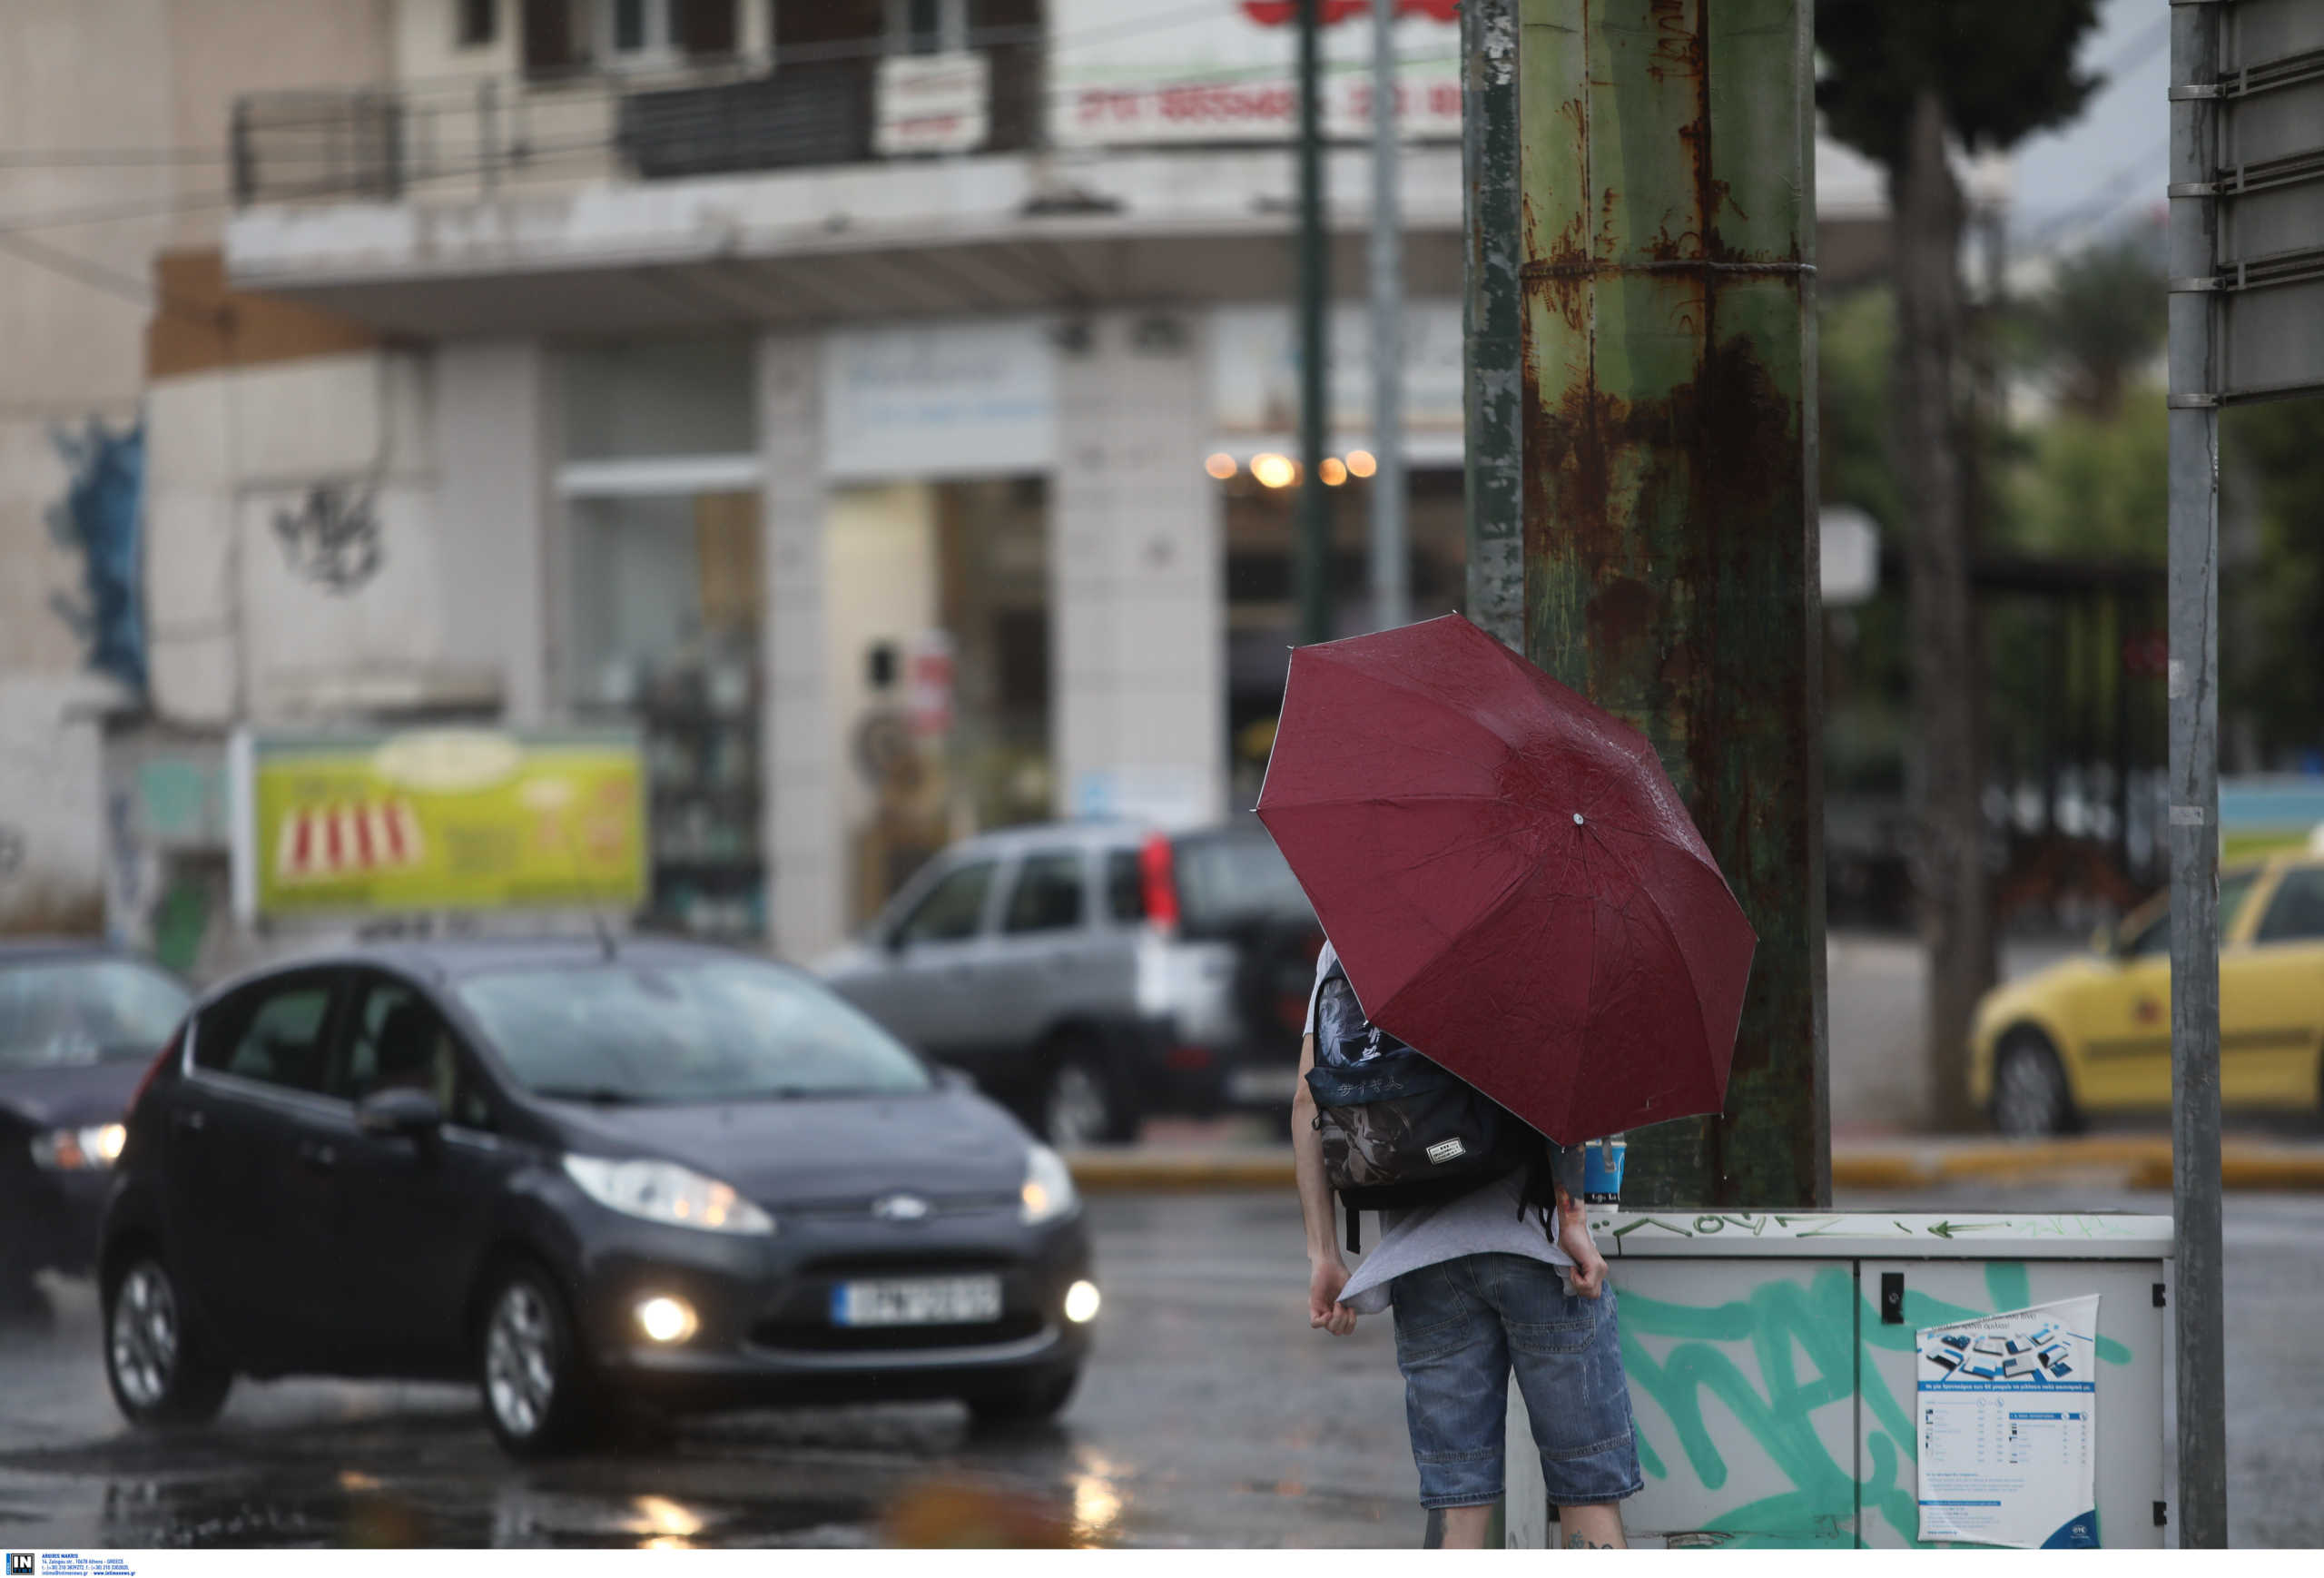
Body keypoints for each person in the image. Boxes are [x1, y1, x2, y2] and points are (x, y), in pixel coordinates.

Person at [1293, 940, 1641, 1549]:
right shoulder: (1526, 911)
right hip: (1537, 1253)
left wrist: (1324, 1253)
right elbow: (1568, 1078)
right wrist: (1576, 1220)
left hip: (1423, 1261)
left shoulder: (1347, 936)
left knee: (1461, 1503)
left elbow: (1308, 1102)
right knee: (1587, 1488)